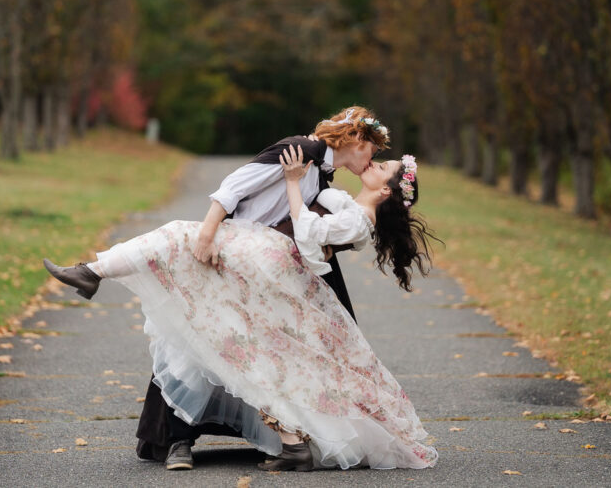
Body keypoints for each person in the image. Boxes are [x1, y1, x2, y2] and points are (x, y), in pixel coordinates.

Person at [43, 145, 439, 471]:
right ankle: (92, 271)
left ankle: (93, 271)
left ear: (386, 190)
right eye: (375, 154)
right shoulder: (351, 203)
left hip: (274, 261)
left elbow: (305, 227)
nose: (374, 160)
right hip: (275, 262)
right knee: (255, 348)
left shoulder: (358, 220)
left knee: (180, 242)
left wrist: (292, 183)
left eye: (381, 165)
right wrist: (321, 160)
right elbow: (327, 187)